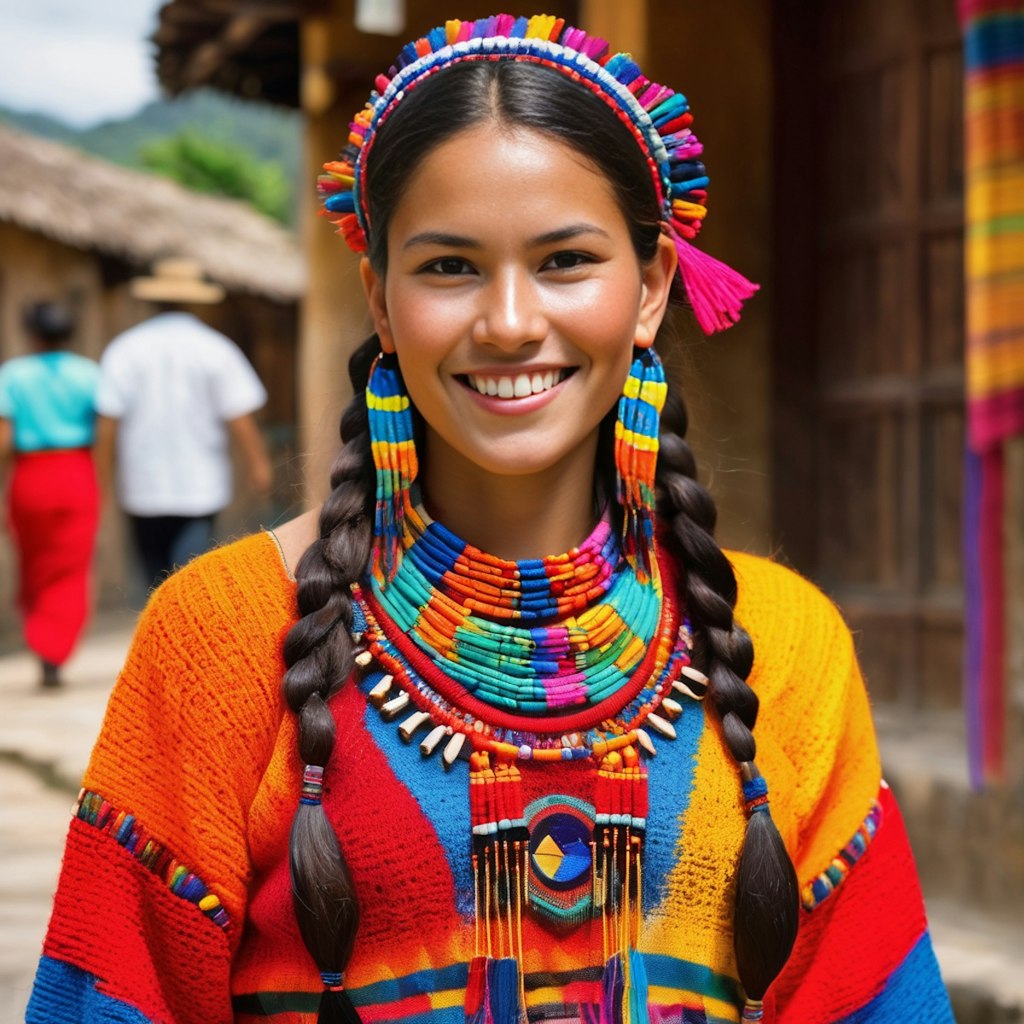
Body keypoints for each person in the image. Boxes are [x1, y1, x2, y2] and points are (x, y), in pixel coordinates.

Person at [27, 15, 954, 1024]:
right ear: (379, 301)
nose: (509, 321)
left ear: (648, 289)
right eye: (449, 267)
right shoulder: (219, 638)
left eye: (564, 261)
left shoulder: (787, 648)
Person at [94, 256, 274, 591]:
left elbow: (107, 423)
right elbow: (240, 416)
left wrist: (101, 478)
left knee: (153, 579)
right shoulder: (216, 348)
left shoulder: (125, 349)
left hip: (141, 485)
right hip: (200, 484)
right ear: (195, 300)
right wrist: (259, 465)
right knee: (189, 578)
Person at [0, 301, 100, 688]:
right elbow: (103, 428)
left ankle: (43, 646)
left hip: (30, 474)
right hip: (77, 469)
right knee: (72, 565)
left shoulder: (13, 374)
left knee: (33, 561)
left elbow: (5, 437)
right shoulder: (88, 374)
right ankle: (55, 649)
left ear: (32, 334)